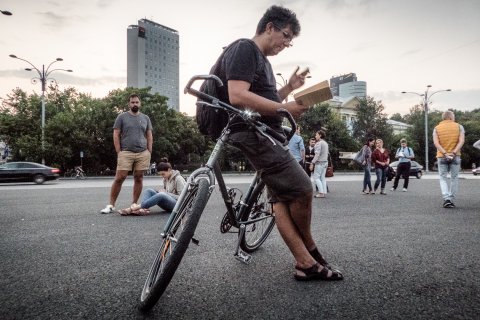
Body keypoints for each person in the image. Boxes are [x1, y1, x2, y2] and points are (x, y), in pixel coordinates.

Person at [210, 5, 342, 281]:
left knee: (281, 200)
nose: (286, 43)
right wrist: (285, 110)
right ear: (269, 27)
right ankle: (311, 250)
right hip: (254, 132)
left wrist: (289, 89)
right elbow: (237, 95)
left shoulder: (262, 62)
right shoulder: (245, 49)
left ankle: (304, 262)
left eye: (290, 40)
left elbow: (265, 99)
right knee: (304, 189)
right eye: (286, 35)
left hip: (265, 132)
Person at [100, 94, 153, 214]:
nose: (135, 104)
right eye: (132, 102)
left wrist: (149, 151)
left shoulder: (145, 118)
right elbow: (116, 134)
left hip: (142, 153)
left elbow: (149, 135)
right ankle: (111, 205)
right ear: (129, 104)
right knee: (120, 177)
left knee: (139, 178)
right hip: (126, 152)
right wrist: (119, 151)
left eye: (137, 102)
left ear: (140, 104)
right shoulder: (122, 117)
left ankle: (134, 203)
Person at [119, 160, 186, 215]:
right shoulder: (165, 179)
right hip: (170, 203)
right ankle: (143, 210)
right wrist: (164, 192)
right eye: (160, 175)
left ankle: (133, 208)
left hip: (179, 206)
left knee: (161, 194)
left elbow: (184, 197)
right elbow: (166, 193)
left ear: (169, 170)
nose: (162, 176)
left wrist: (166, 193)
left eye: (163, 174)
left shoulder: (178, 179)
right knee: (149, 190)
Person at [433, 110, 465, 208]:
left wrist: (445, 153)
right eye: (454, 116)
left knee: (442, 178)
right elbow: (461, 141)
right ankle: (451, 198)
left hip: (442, 156)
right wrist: (454, 152)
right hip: (455, 156)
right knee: (454, 178)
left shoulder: (436, 128)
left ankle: (446, 198)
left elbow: (436, 143)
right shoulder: (459, 127)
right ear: (450, 117)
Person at [310, 130, 329, 198]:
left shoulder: (318, 143)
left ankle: (321, 193)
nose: (315, 136)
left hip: (319, 162)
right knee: (322, 178)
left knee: (316, 177)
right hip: (325, 162)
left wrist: (312, 162)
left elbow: (317, 154)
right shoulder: (325, 143)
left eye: (316, 135)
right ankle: (324, 192)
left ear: (320, 135)